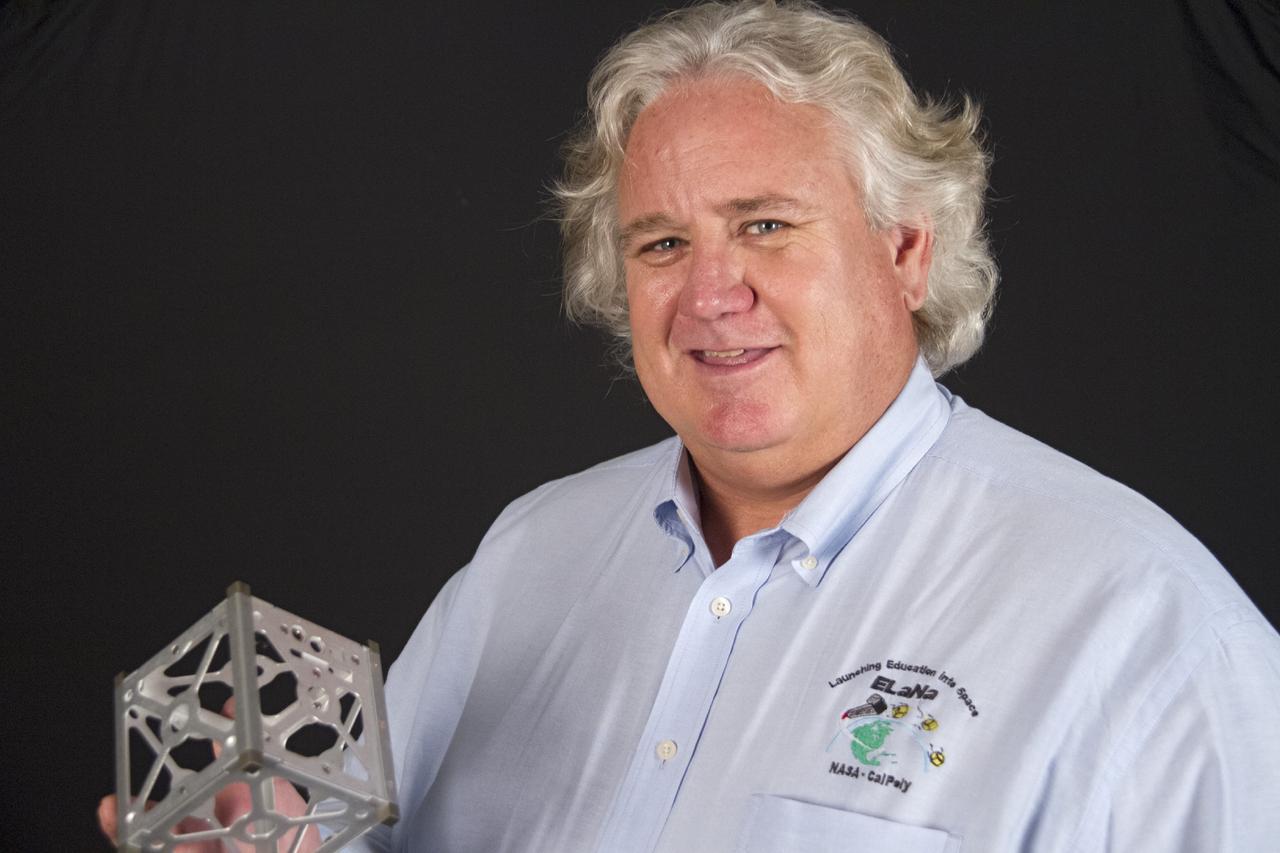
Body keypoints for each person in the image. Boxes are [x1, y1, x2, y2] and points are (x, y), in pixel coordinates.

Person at [102, 1, 1280, 850]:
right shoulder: (529, 559)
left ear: (905, 252)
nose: (711, 293)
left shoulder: (1143, 624)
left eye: (765, 225)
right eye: (662, 243)